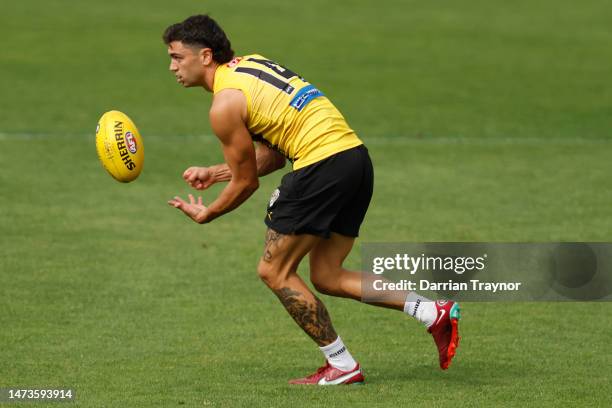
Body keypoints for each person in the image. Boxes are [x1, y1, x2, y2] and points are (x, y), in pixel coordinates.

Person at [164, 14, 460, 385]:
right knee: (327, 275)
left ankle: (342, 364)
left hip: (320, 167)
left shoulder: (224, 105)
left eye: (177, 57)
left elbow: (246, 184)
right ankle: (432, 311)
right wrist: (215, 171)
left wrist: (208, 213)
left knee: (274, 271)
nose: (172, 66)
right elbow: (272, 154)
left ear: (205, 56)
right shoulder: (250, 66)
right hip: (355, 161)